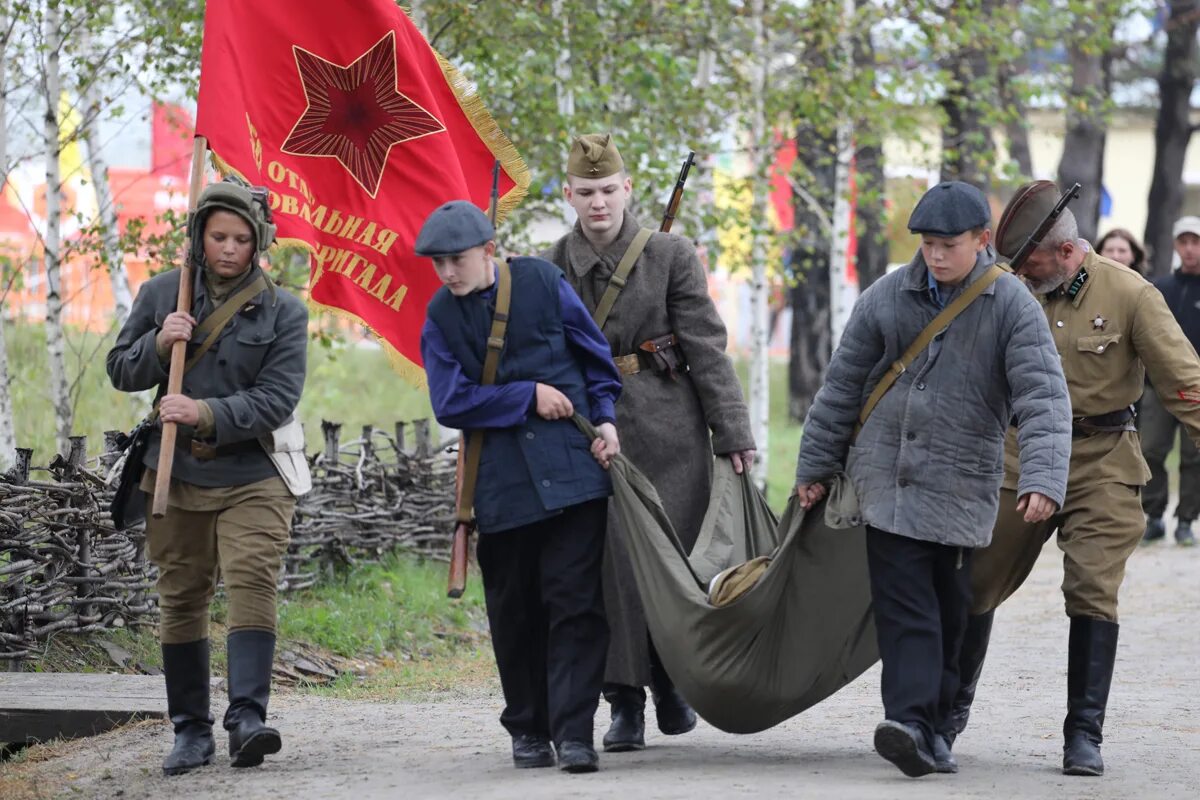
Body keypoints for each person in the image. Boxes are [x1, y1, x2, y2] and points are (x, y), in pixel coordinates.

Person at [793, 180, 1071, 778]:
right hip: (887, 478)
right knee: (905, 604)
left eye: (948, 244)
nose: (936, 255)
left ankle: (937, 726)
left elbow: (1043, 399)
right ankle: (910, 723)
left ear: (982, 240)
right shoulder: (885, 297)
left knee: (952, 608)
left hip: (963, 483)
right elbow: (841, 388)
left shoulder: (1013, 306)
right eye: (927, 245)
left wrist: (1043, 478)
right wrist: (815, 468)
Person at [949, 181, 1200, 777]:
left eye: (1030, 261)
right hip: (1019, 452)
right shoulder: (1008, 291)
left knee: (1092, 589)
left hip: (1103, 459)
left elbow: (1186, 384)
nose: (1019, 271)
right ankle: (946, 715)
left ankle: (1083, 735)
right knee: (975, 580)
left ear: (1065, 252)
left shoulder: (1132, 294)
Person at [540, 134, 756, 752]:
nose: (599, 203)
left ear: (627, 189)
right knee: (614, 569)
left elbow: (706, 347)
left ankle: (671, 681)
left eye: (609, 190)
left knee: (677, 563)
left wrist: (733, 431)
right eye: (586, 192)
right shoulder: (552, 263)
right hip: (592, 436)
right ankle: (624, 702)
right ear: (569, 195)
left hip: (671, 432)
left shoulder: (669, 255)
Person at [106, 179, 309, 775]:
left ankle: (247, 718)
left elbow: (277, 399)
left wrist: (206, 412)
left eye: (241, 239)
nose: (228, 248)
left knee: (251, 580)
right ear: (198, 236)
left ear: (259, 243)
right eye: (218, 236)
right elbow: (120, 369)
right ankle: (190, 731)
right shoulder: (163, 292)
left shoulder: (284, 311)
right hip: (176, 470)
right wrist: (157, 341)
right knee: (182, 595)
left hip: (256, 471)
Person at [418, 200, 622, 774]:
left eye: (456, 260)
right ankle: (529, 728)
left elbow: (594, 358)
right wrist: (524, 395)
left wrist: (605, 417)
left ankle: (575, 732)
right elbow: (449, 401)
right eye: (438, 264)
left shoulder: (541, 280)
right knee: (514, 609)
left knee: (576, 603)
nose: (447, 273)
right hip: (502, 481)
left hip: (575, 472)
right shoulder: (439, 315)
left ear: (488, 251)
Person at [1139, 216, 1200, 546]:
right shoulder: (1160, 288)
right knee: (1149, 450)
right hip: (1157, 387)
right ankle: (1154, 515)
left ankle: (1186, 520)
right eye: (1184, 242)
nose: (1190, 249)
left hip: (1197, 390)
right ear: (1177, 245)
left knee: (1194, 457)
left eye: (1196, 242)